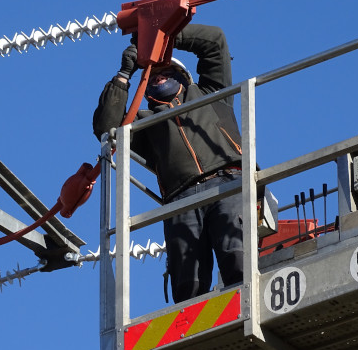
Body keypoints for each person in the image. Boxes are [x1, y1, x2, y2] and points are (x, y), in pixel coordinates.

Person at [93, 24, 244, 304]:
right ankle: (194, 338)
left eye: (167, 71)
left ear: (184, 77)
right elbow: (106, 128)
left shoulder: (212, 93)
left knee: (238, 261)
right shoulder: (145, 124)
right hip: (181, 199)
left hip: (227, 182)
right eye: (154, 75)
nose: (160, 77)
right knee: (189, 286)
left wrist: (160, 40)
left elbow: (215, 42)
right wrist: (124, 76)